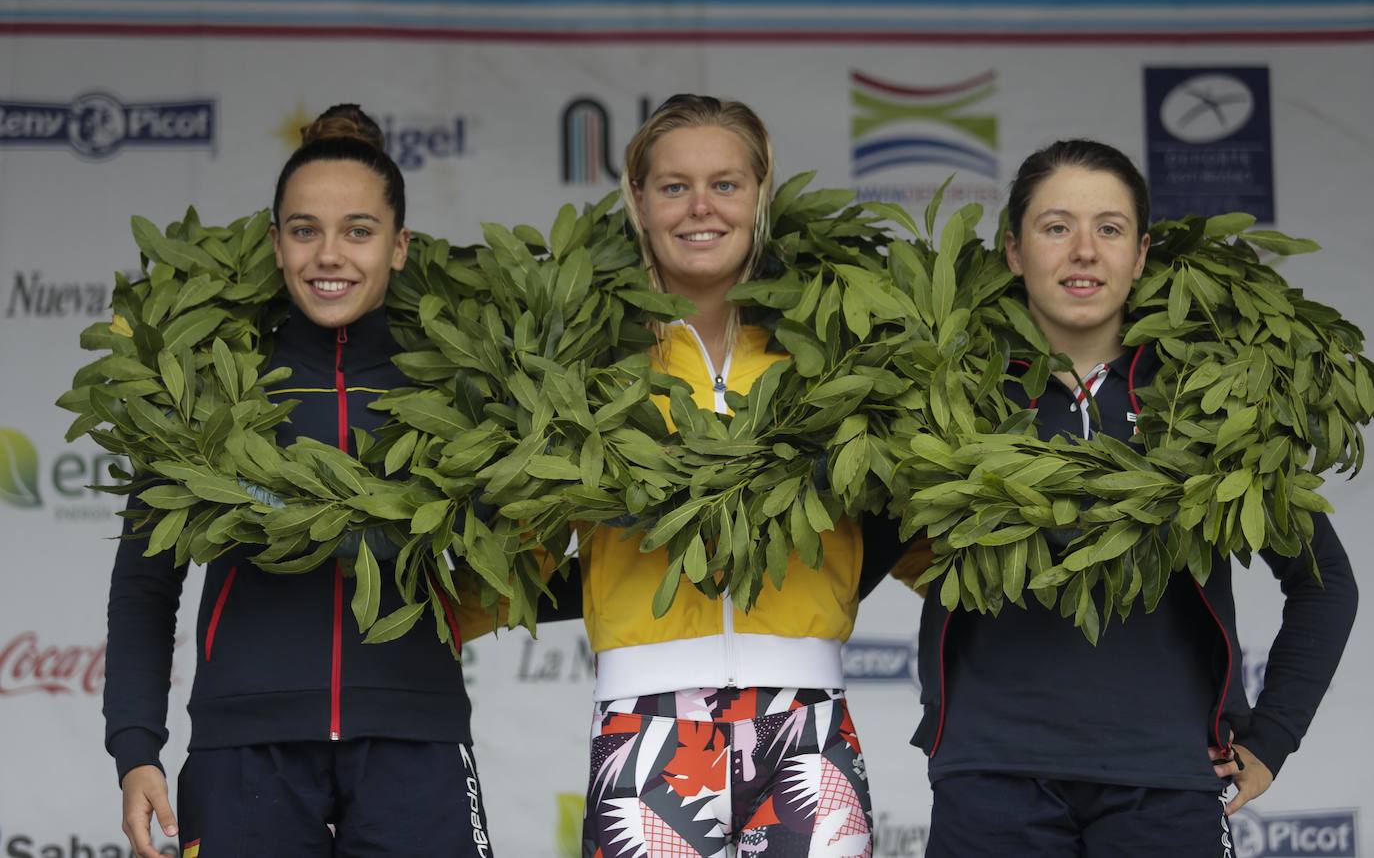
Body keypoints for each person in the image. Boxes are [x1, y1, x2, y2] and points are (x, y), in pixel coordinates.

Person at [909, 139, 1358, 857]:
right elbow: (853, 550)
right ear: (1015, 251)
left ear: (1141, 254)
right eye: (1056, 227)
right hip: (990, 774)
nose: (1084, 250)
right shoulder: (948, 397)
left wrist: (1273, 737)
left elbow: (1324, 583)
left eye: (1109, 229)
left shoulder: (1212, 404)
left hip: (1168, 778)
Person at [105, 105, 499, 857]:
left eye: (359, 230)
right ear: (275, 242)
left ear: (400, 246)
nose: (331, 255)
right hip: (246, 745)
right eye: (304, 230)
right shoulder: (205, 391)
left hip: (414, 739)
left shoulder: (461, 392)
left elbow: (510, 555)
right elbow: (145, 582)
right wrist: (135, 745)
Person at [577, 94, 887, 858]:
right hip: (643, 718)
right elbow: (524, 534)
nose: (700, 207)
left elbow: (913, 521)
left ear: (761, 198)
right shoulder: (591, 353)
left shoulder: (830, 344)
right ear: (639, 203)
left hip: (806, 715)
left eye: (726, 183)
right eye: (673, 186)